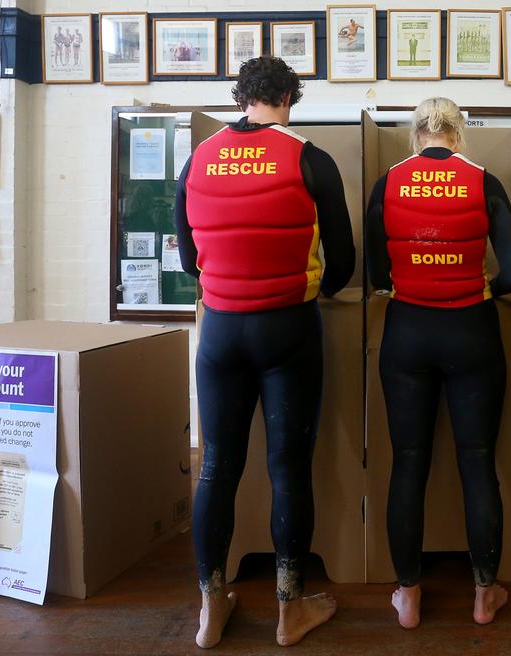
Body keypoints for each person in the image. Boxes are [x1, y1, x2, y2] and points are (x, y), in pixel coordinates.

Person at [174, 55, 355, 649]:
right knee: (288, 468)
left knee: (218, 468)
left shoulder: (198, 158)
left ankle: (209, 607)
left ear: (240, 97)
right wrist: (315, 289)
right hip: (288, 329)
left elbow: (186, 261)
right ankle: (289, 609)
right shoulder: (310, 157)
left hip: (221, 330)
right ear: (289, 97)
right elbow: (345, 261)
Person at [366, 97, 511, 630]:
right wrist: (483, 285)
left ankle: (408, 596)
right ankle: (484, 594)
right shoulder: (484, 180)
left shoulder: (388, 182)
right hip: (472, 329)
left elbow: (375, 271)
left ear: (417, 136)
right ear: (459, 135)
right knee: (477, 461)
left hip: (407, 330)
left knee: (408, 462)